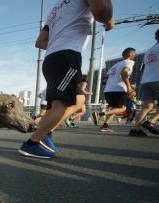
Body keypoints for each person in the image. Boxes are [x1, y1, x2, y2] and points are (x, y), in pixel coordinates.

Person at [19, 0, 114, 158]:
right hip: (66, 56)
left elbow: (40, 42)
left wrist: (58, 40)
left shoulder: (56, 8)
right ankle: (32, 143)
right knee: (62, 104)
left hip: (53, 58)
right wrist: (110, 21)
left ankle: (45, 133)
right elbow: (101, 10)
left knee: (78, 100)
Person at [92, 47, 136, 132]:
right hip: (119, 89)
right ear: (130, 54)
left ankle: (105, 126)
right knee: (123, 108)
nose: (135, 56)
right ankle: (99, 114)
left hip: (108, 90)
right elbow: (124, 72)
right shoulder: (129, 62)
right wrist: (129, 87)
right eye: (134, 54)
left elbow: (104, 79)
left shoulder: (115, 65)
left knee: (113, 109)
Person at [129, 29, 159, 136]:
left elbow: (143, 68)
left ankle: (135, 129)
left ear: (155, 37)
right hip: (157, 79)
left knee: (148, 106)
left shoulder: (149, 51)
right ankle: (151, 122)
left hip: (145, 81)